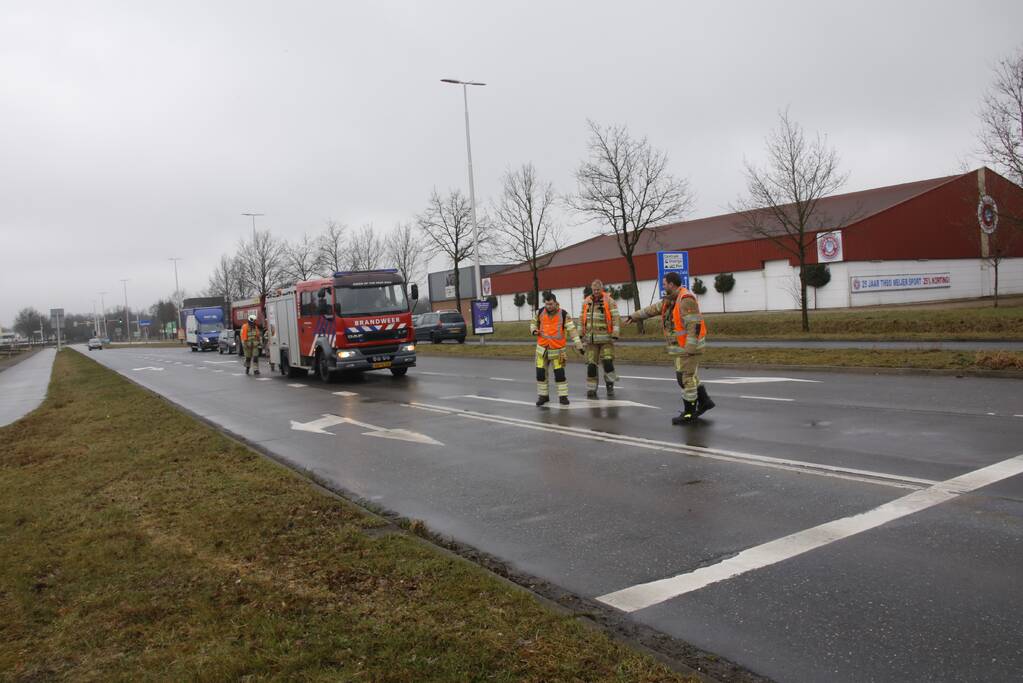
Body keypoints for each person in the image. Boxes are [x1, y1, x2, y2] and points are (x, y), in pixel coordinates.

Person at [624, 272, 714, 424]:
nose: (663, 286)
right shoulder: (670, 300)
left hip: (690, 347)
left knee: (686, 378)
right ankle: (705, 402)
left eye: (664, 284)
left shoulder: (685, 299)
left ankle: (689, 412)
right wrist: (634, 316)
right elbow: (652, 309)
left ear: (672, 284)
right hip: (681, 346)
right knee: (687, 377)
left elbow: (694, 324)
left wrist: (690, 347)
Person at [530, 292, 584, 406]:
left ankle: (563, 397)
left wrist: (579, 345)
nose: (548, 306)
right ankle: (543, 396)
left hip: (558, 351)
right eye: (547, 304)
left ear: (555, 303)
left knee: (559, 374)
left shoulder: (564, 314)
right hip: (542, 350)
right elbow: (533, 323)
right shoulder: (539, 312)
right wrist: (534, 330)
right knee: (540, 374)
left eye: (551, 304)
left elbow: (572, 330)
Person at [579, 278, 621, 398]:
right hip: (591, 341)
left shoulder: (609, 301)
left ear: (601, 289)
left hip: (606, 339)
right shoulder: (586, 301)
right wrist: (580, 334)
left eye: (598, 289)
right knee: (591, 366)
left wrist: (615, 334)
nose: (596, 292)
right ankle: (591, 389)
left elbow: (616, 318)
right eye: (594, 290)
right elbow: (581, 319)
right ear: (591, 289)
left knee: (608, 363)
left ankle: (610, 386)